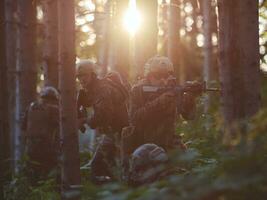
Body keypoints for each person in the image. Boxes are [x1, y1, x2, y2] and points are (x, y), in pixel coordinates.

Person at [121, 56, 201, 182]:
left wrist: (191, 96)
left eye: (167, 75)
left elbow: (189, 116)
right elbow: (134, 118)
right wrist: (162, 100)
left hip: (168, 145)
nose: (163, 80)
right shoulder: (138, 91)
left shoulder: (173, 89)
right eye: (158, 76)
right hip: (143, 148)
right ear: (149, 75)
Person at [76, 60, 129, 183]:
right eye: (79, 77)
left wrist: (85, 120)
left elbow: (103, 116)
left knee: (116, 170)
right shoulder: (93, 89)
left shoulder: (102, 89)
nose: (82, 80)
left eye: (85, 76)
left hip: (122, 134)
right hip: (113, 133)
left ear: (93, 75)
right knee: (102, 167)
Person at [22, 86, 60, 182]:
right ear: (54, 98)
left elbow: (23, 127)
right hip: (46, 148)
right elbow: (61, 126)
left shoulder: (31, 107)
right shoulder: (54, 109)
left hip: (29, 148)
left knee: (32, 176)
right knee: (49, 175)